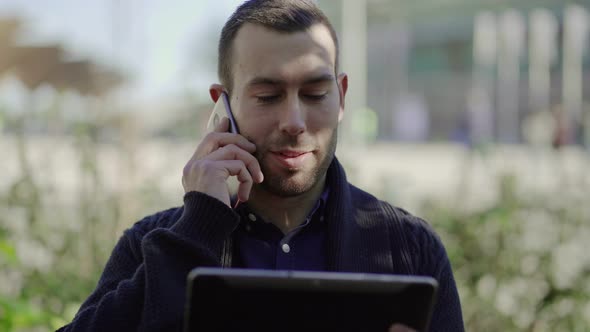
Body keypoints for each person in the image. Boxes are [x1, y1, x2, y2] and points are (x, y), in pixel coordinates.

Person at [59, 1, 464, 331]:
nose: (294, 121)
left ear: (341, 97)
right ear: (224, 104)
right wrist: (197, 230)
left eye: (315, 93)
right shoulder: (155, 243)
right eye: (268, 96)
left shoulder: (408, 249)